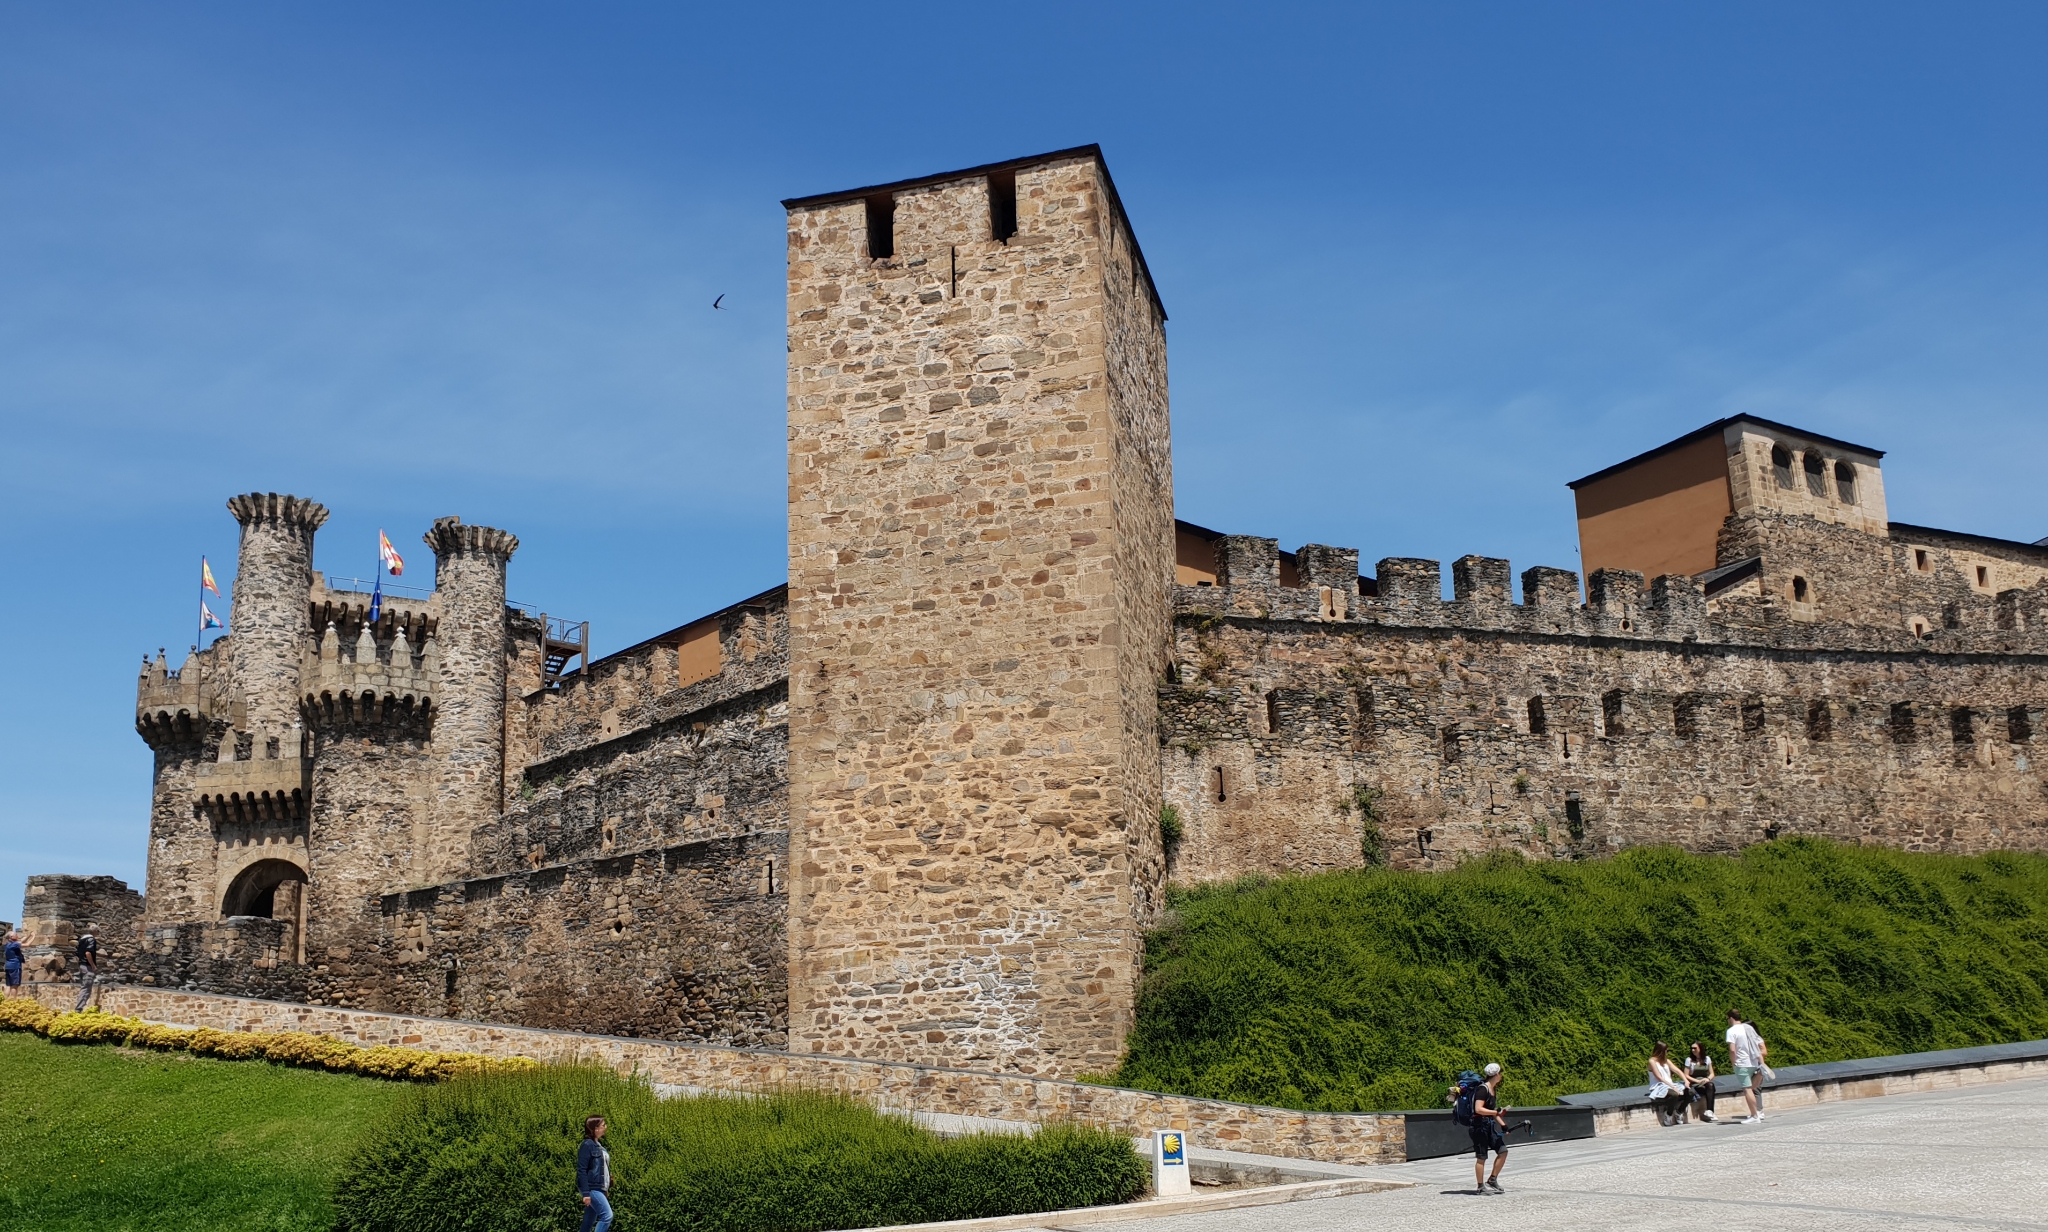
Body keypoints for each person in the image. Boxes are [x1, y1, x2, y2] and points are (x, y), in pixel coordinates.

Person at [1469, 1062, 1509, 1194]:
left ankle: (1492, 1179)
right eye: (1500, 1073)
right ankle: (1480, 1187)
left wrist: (1503, 1125)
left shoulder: (1492, 1089)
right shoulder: (1483, 1089)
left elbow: (1492, 1111)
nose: (1501, 1076)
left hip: (1489, 1125)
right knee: (1481, 1157)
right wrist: (1495, 1112)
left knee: (1503, 1151)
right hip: (1479, 1127)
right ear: (1497, 1074)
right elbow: (1478, 1109)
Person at [1726, 1010, 1766, 1123]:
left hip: (1742, 1063)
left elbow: (1732, 1050)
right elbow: (1758, 1045)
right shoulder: (1748, 1028)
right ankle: (1757, 1113)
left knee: (1747, 1089)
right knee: (1751, 1088)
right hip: (1753, 1062)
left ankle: (1754, 1115)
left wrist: (1734, 1063)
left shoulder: (1731, 1031)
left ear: (1731, 1018)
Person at [577, 1115, 613, 1232]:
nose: (605, 1127)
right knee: (607, 1216)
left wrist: (605, 1189)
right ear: (595, 1129)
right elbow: (581, 1170)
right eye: (603, 1125)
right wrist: (586, 1193)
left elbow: (603, 1170)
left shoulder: (599, 1146)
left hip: (599, 1188)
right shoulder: (587, 1145)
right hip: (592, 1188)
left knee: (588, 1221)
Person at [1647, 1042, 1689, 1126]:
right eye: (1667, 1050)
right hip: (1659, 1085)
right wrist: (1672, 1086)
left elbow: (1677, 1070)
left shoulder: (1666, 1061)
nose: (1667, 1052)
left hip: (1669, 1084)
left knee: (1690, 1092)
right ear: (1661, 1051)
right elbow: (1659, 1077)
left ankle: (1679, 1111)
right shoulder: (1652, 1061)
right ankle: (1668, 1114)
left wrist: (1686, 1080)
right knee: (1674, 1094)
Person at [1683, 1041, 1717, 1123]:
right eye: (1692, 1048)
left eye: (1695, 1048)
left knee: (1711, 1085)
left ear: (1700, 1049)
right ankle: (1710, 1111)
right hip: (1694, 1082)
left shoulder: (1707, 1059)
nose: (1693, 1050)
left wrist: (1708, 1079)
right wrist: (1697, 1081)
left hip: (1704, 1081)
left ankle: (1709, 1111)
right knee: (1710, 1088)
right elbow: (1686, 1075)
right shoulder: (1689, 1060)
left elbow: (1712, 1073)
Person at [72, 927, 99, 1012]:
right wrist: (93, 965)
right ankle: (78, 1009)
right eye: (98, 931)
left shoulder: (81, 940)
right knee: (86, 988)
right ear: (94, 931)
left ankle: (78, 1007)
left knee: (83, 986)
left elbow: (76, 954)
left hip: (81, 966)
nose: (98, 933)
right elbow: (88, 953)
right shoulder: (91, 940)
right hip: (87, 967)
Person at [3, 932, 22, 998]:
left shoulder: (7, 944)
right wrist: (33, 937)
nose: (17, 935)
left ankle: (5, 1002)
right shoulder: (14, 945)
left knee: (8, 985)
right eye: (16, 935)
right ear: (11, 937)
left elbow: (21, 941)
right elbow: (27, 944)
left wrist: (29, 936)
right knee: (14, 985)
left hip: (8, 966)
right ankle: (13, 1002)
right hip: (15, 966)